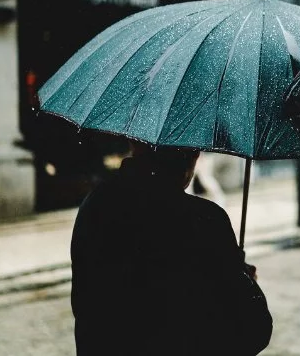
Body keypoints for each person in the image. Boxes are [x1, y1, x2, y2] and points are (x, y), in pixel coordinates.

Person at [71, 141, 273, 355]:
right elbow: (253, 329)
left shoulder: (96, 204)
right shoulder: (205, 219)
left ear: (134, 143)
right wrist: (245, 280)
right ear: (192, 155)